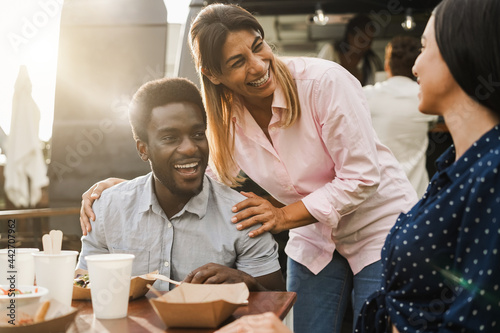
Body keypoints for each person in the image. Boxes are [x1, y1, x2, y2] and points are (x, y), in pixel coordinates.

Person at [80, 4, 417, 332]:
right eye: (238, 62)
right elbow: (204, 172)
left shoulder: (324, 82)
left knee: (374, 324)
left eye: (259, 47)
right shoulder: (225, 116)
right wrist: (127, 188)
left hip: (378, 223)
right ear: (214, 75)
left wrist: (283, 216)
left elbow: (362, 176)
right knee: (302, 327)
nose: (258, 66)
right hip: (315, 234)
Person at [356, 0, 500, 331]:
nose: (416, 66)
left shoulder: (493, 172)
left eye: (424, 48)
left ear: (459, 51)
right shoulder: (454, 166)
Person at [76, 77, 285, 292]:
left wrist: (247, 284)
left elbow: (276, 302)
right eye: (170, 138)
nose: (189, 148)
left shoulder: (243, 216)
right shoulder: (107, 208)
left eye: (197, 134)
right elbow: (83, 287)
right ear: (143, 149)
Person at [363, 36, 438, 197]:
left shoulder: (366, 96)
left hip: (380, 196)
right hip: (416, 193)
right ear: (415, 66)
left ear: (387, 65)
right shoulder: (426, 97)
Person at [317, 14, 383, 86]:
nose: (366, 47)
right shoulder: (330, 51)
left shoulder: (371, 62)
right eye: (362, 41)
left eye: (369, 42)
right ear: (350, 37)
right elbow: (317, 79)